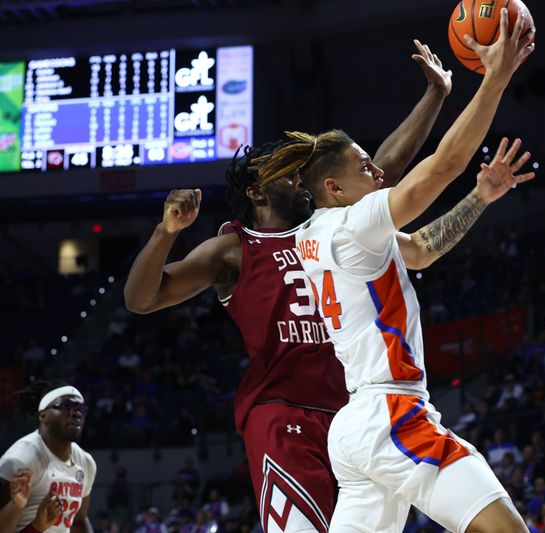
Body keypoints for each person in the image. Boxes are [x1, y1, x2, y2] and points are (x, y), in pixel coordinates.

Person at [124, 41, 455, 532]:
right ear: (257, 191)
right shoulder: (235, 248)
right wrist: (166, 233)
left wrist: (436, 94)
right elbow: (141, 299)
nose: (302, 181)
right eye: (286, 175)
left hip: (352, 414)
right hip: (283, 413)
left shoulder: (331, 224)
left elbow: (383, 168)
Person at [276, 9, 535, 532]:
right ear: (333, 189)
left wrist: (481, 198)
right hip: (390, 413)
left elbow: (418, 249)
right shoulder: (350, 225)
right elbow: (444, 164)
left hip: (358, 425)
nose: (377, 171)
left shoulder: (317, 236)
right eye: (364, 166)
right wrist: (496, 79)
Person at [0, 381, 96, 533]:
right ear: (43, 415)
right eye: (65, 407)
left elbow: (79, 521)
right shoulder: (21, 459)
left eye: (80, 409)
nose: (76, 413)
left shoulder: (85, 462)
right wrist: (18, 507)